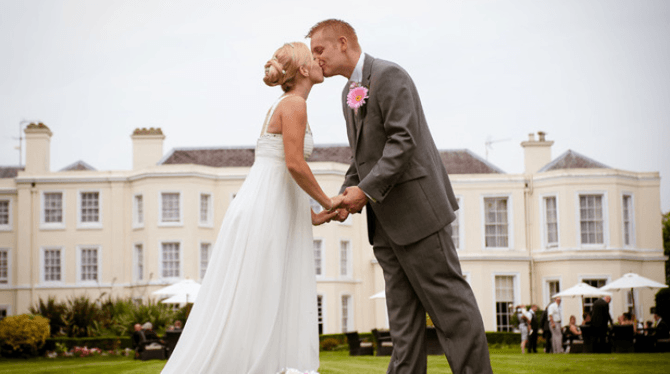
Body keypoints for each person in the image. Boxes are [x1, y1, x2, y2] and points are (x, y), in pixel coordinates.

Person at [306, 19, 492, 374]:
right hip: (385, 225)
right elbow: (361, 158)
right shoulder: (349, 96)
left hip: (419, 215)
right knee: (403, 322)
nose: (317, 60)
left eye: (320, 50)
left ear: (342, 43)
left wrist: (365, 191)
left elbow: (402, 141)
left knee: (451, 309)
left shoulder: (390, 75)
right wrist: (343, 197)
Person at [161, 41, 340, 374]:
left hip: (266, 210)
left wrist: (313, 216)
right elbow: (294, 164)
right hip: (263, 213)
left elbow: (281, 178)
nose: (320, 62)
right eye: (314, 58)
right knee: (261, 294)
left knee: (266, 293)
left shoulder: (286, 104)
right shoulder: (295, 105)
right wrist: (328, 200)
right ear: (303, 69)